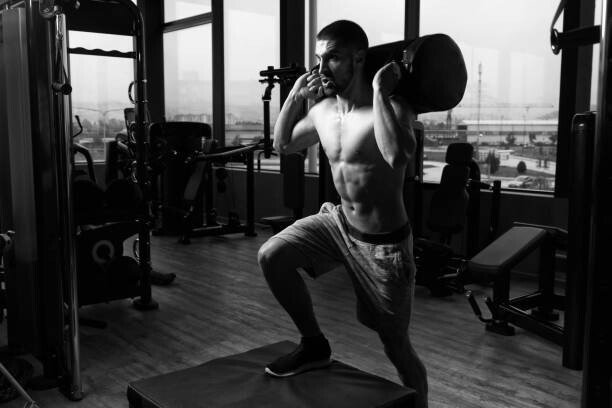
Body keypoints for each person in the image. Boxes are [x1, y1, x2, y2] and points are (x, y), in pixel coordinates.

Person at [257, 20, 428, 408]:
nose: (321, 68)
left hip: (383, 244)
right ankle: (314, 344)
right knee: (272, 255)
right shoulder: (323, 112)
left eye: (332, 57)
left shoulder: (391, 107)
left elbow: (397, 155)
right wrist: (296, 96)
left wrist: (381, 91)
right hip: (338, 224)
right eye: (318, 59)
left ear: (359, 58)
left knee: (395, 346)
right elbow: (281, 144)